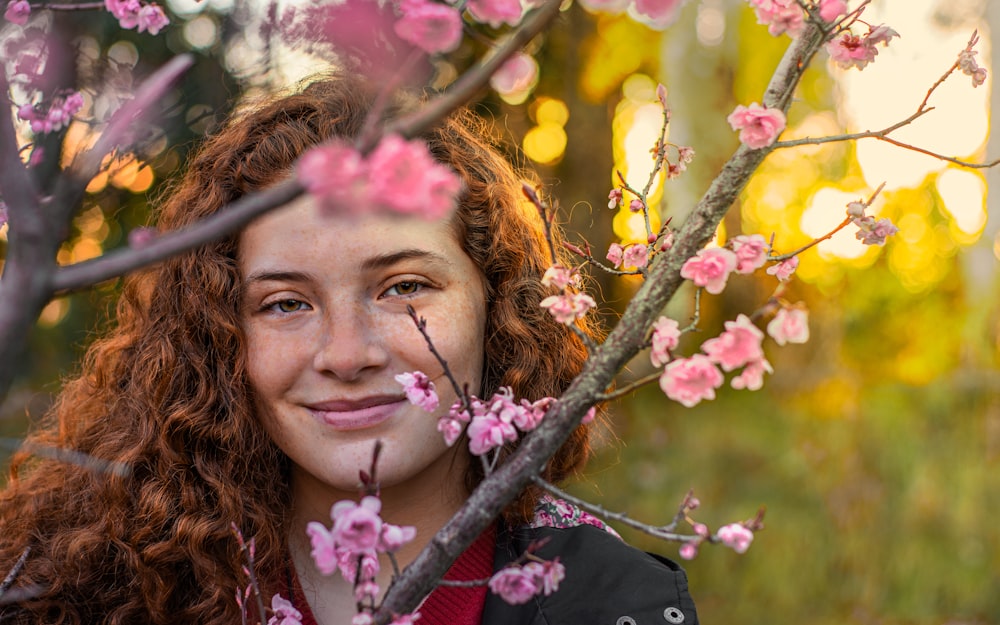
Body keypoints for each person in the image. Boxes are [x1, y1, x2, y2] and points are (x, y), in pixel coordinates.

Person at [0, 75, 697, 625]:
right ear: (216, 334)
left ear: (498, 302)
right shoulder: (84, 585)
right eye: (286, 303)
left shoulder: (612, 604)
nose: (345, 353)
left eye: (402, 287)